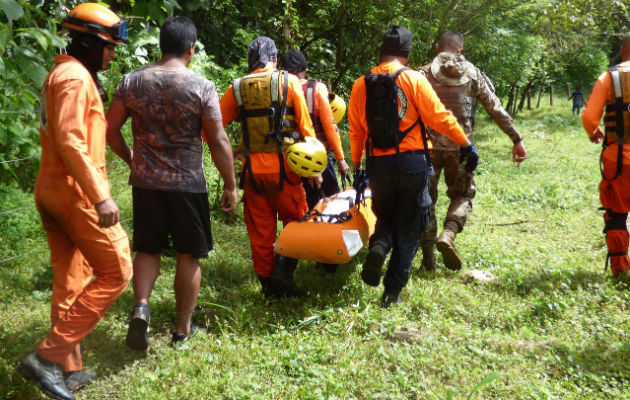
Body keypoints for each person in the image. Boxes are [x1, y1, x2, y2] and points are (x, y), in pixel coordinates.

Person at [18, 4, 131, 400]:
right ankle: (46, 359)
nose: (113, 54)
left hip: (54, 189)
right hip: (74, 192)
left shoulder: (66, 73)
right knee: (118, 271)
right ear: (87, 42)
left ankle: (69, 370)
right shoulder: (74, 77)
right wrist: (100, 196)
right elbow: (69, 139)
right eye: (109, 46)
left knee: (71, 281)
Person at [106, 16, 237, 349]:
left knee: (148, 249)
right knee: (187, 255)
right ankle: (182, 329)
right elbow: (219, 140)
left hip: (146, 183)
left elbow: (109, 131)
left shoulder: (130, 82)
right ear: (190, 49)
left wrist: (132, 158)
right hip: (187, 184)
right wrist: (231, 184)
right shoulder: (202, 87)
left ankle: (141, 308)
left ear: (161, 45)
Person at [348, 25, 477, 308]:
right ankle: (391, 293)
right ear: (406, 53)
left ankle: (380, 246)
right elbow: (440, 118)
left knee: (385, 217)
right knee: (410, 227)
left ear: (382, 50)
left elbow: (356, 132)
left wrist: (357, 166)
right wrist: (465, 144)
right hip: (412, 164)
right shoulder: (414, 80)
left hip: (378, 164)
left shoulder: (362, 83)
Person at [419, 31, 527, 272]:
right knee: (463, 195)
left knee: (426, 200)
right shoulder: (473, 73)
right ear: (460, 49)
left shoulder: (422, 74)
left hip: (427, 148)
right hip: (462, 148)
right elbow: (495, 108)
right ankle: (448, 235)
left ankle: (429, 261)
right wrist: (516, 138)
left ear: (438, 47)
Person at [220, 36, 318, 298]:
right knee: (297, 222)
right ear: (274, 58)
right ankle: (283, 275)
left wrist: (230, 154)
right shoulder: (290, 82)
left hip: (252, 174)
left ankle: (268, 287)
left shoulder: (237, 88)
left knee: (261, 233)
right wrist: (315, 169)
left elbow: (212, 127)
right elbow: (307, 130)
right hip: (287, 171)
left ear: (251, 60)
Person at [582, 34, 630, 277]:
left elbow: (590, 117)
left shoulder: (608, 78)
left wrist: (594, 131)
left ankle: (621, 269)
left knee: (617, 214)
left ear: (622, 52)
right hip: (619, 157)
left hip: (619, 159)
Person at [283, 49, 350, 208]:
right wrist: (341, 159)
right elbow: (329, 126)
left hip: (290, 161)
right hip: (318, 159)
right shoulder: (316, 88)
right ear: (304, 69)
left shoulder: (280, 89)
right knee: (331, 207)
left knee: (305, 210)